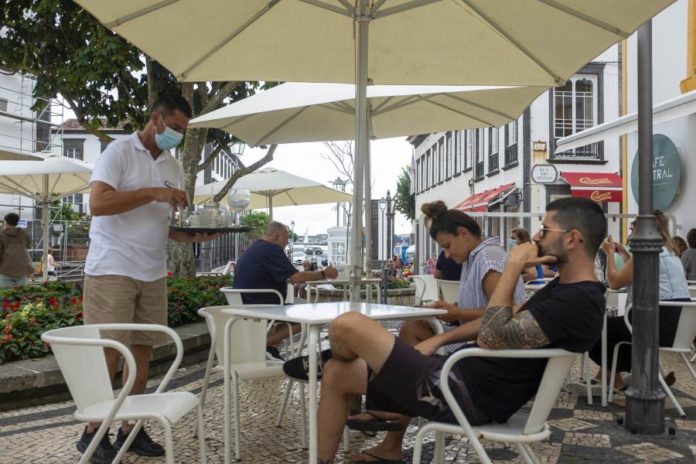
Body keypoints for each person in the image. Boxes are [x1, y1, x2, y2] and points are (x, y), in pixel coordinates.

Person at [307, 197, 606, 463]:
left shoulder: (579, 300)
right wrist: (441, 338)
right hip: (453, 378)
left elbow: (491, 335)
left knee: (347, 324)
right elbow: (505, 317)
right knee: (335, 372)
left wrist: (513, 267)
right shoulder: (564, 289)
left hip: (462, 395)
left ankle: (324, 361)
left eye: (545, 230)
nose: (537, 237)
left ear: (572, 239)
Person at [78, 93, 218, 464]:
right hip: (112, 268)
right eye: (174, 127)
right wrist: (153, 192)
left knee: (142, 352)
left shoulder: (172, 165)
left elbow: (161, 225)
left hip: (152, 271)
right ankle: (93, 432)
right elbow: (98, 204)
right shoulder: (119, 152)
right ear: (155, 119)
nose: (178, 136)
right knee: (109, 351)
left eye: (183, 131)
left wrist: (192, 236)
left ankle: (131, 427)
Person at [591, 210, 690, 390]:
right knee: (618, 327)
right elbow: (641, 269)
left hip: (656, 326)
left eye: (632, 228)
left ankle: (615, 379)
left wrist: (610, 253)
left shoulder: (644, 252)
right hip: (680, 327)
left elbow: (614, 283)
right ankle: (605, 376)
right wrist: (624, 253)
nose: (630, 233)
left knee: (598, 327)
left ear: (642, 230)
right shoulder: (670, 251)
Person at [233, 221, 338, 359]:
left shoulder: (255, 247)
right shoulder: (271, 249)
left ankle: (270, 349)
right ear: (277, 236)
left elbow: (281, 277)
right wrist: (325, 273)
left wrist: (294, 278)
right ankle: (262, 345)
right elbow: (297, 277)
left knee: (294, 311)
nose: (287, 242)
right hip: (263, 305)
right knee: (310, 316)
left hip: (248, 302)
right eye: (286, 238)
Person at [0, 213, 33, 288]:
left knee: (6, 293)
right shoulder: (23, 233)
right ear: (17, 222)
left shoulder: (1, 235)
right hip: (22, 268)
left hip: (6, 268)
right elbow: (29, 246)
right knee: (22, 292)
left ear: (6, 222)